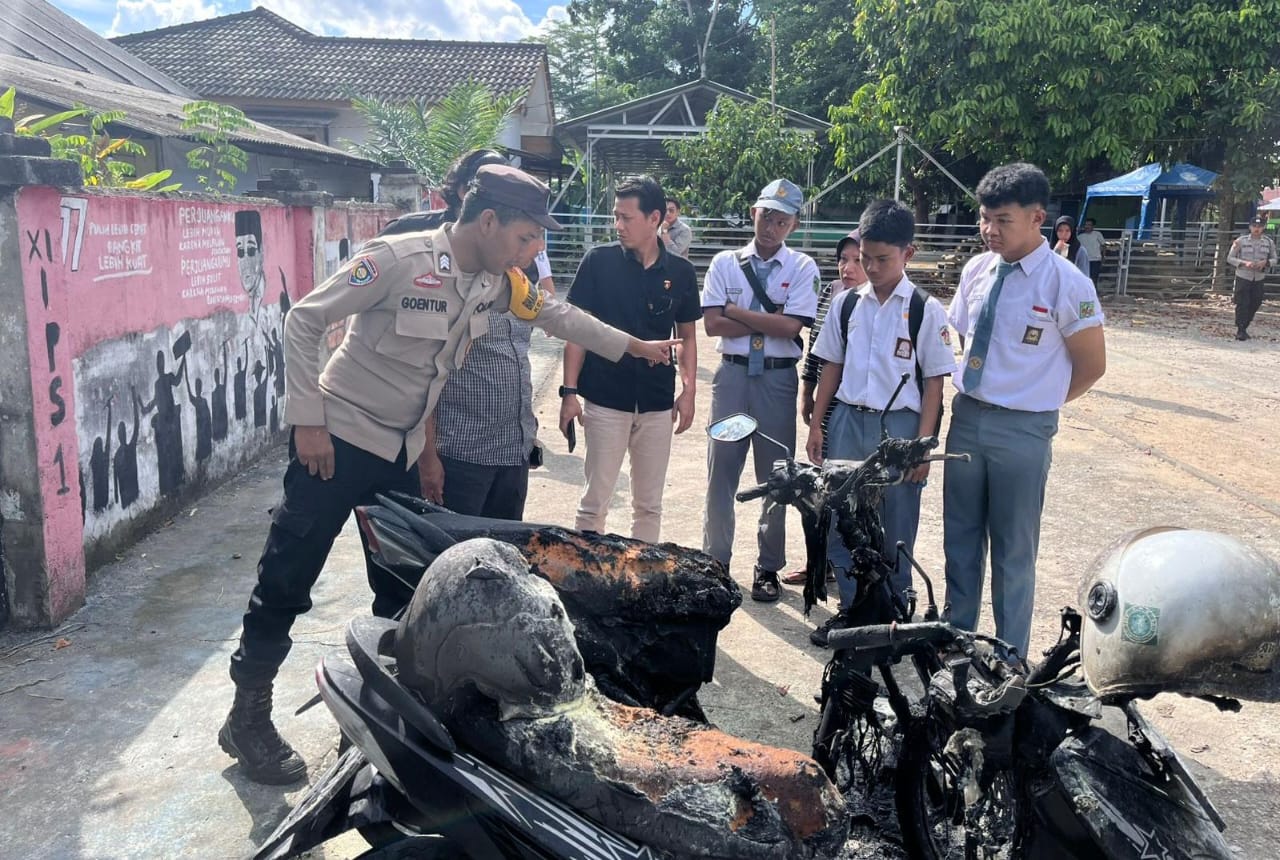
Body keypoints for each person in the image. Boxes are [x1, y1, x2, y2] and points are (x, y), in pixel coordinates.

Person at [219, 164, 680, 785]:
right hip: (337, 446)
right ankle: (247, 716)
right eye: (525, 237)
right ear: (487, 221)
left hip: (400, 453)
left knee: (406, 588)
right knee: (287, 577)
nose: (534, 251)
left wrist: (634, 346)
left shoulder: (495, 281)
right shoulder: (398, 260)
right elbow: (304, 319)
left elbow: (558, 317)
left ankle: (385, 715)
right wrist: (308, 422)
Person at [943, 162, 1107, 657]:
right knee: (961, 539)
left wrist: (1037, 404)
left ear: (1037, 217)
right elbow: (961, 336)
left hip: (1023, 430)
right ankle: (957, 636)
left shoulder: (1065, 283)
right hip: (967, 418)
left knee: (1014, 549)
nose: (990, 230)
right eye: (984, 218)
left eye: (1003, 220)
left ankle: (1008, 654)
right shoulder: (976, 269)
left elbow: (1091, 365)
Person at [802, 200, 956, 645]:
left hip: (900, 429)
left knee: (895, 525)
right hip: (848, 421)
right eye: (864, 257)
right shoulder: (846, 303)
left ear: (908, 253)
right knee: (840, 519)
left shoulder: (925, 310)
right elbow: (830, 364)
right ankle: (854, 613)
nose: (869, 267)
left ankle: (893, 616)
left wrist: (924, 446)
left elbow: (934, 386)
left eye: (881, 259)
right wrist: (818, 425)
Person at [380, 149, 550, 519]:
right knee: (448, 559)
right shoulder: (417, 245)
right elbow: (417, 368)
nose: (528, 246)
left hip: (511, 450)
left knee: (503, 558)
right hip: (457, 450)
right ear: (465, 194)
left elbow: (527, 338)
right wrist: (427, 455)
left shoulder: (516, 255)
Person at [559, 177, 701, 542]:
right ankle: (587, 581)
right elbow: (577, 331)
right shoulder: (598, 262)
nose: (618, 226)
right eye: (615, 217)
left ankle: (642, 586)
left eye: (626, 217)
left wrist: (689, 391)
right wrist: (569, 393)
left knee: (649, 505)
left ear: (655, 218)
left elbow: (686, 336)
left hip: (656, 403)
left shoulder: (680, 273)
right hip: (606, 400)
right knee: (595, 502)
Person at [702, 178, 819, 603]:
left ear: (794, 224)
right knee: (721, 473)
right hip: (732, 377)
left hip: (777, 379)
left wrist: (734, 310)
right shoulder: (725, 263)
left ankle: (767, 566)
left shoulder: (802, 267)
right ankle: (715, 563)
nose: (771, 226)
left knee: (776, 477)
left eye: (782, 220)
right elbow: (712, 325)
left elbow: (793, 327)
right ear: (754, 212)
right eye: (766, 215)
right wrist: (765, 319)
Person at [782, 228, 867, 586]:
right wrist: (807, 392)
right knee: (824, 488)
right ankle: (821, 563)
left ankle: (852, 564)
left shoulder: (875, 303)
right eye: (842, 260)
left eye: (857, 261)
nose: (847, 268)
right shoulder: (831, 295)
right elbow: (816, 350)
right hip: (827, 407)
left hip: (857, 407)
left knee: (854, 491)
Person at [1227, 215, 1276, 341]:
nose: (1256, 229)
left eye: (1259, 227)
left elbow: (1274, 259)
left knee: (1256, 302)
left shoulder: (1269, 242)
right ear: (1250, 227)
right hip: (1243, 275)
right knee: (1242, 303)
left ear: (1263, 228)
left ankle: (1245, 324)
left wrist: (1265, 263)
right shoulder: (1241, 241)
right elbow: (1230, 258)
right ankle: (1241, 329)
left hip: (1259, 277)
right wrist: (1244, 263)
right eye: (1254, 226)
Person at [1076, 217, 1104, 287]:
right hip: (1084, 261)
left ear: (1093, 226)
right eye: (1086, 225)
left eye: (1089, 225)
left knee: (1094, 278)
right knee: (1084, 278)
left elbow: (1103, 246)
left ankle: (1093, 294)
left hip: (1095, 260)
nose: (1087, 226)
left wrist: (1103, 257)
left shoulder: (1097, 234)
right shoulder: (1080, 237)